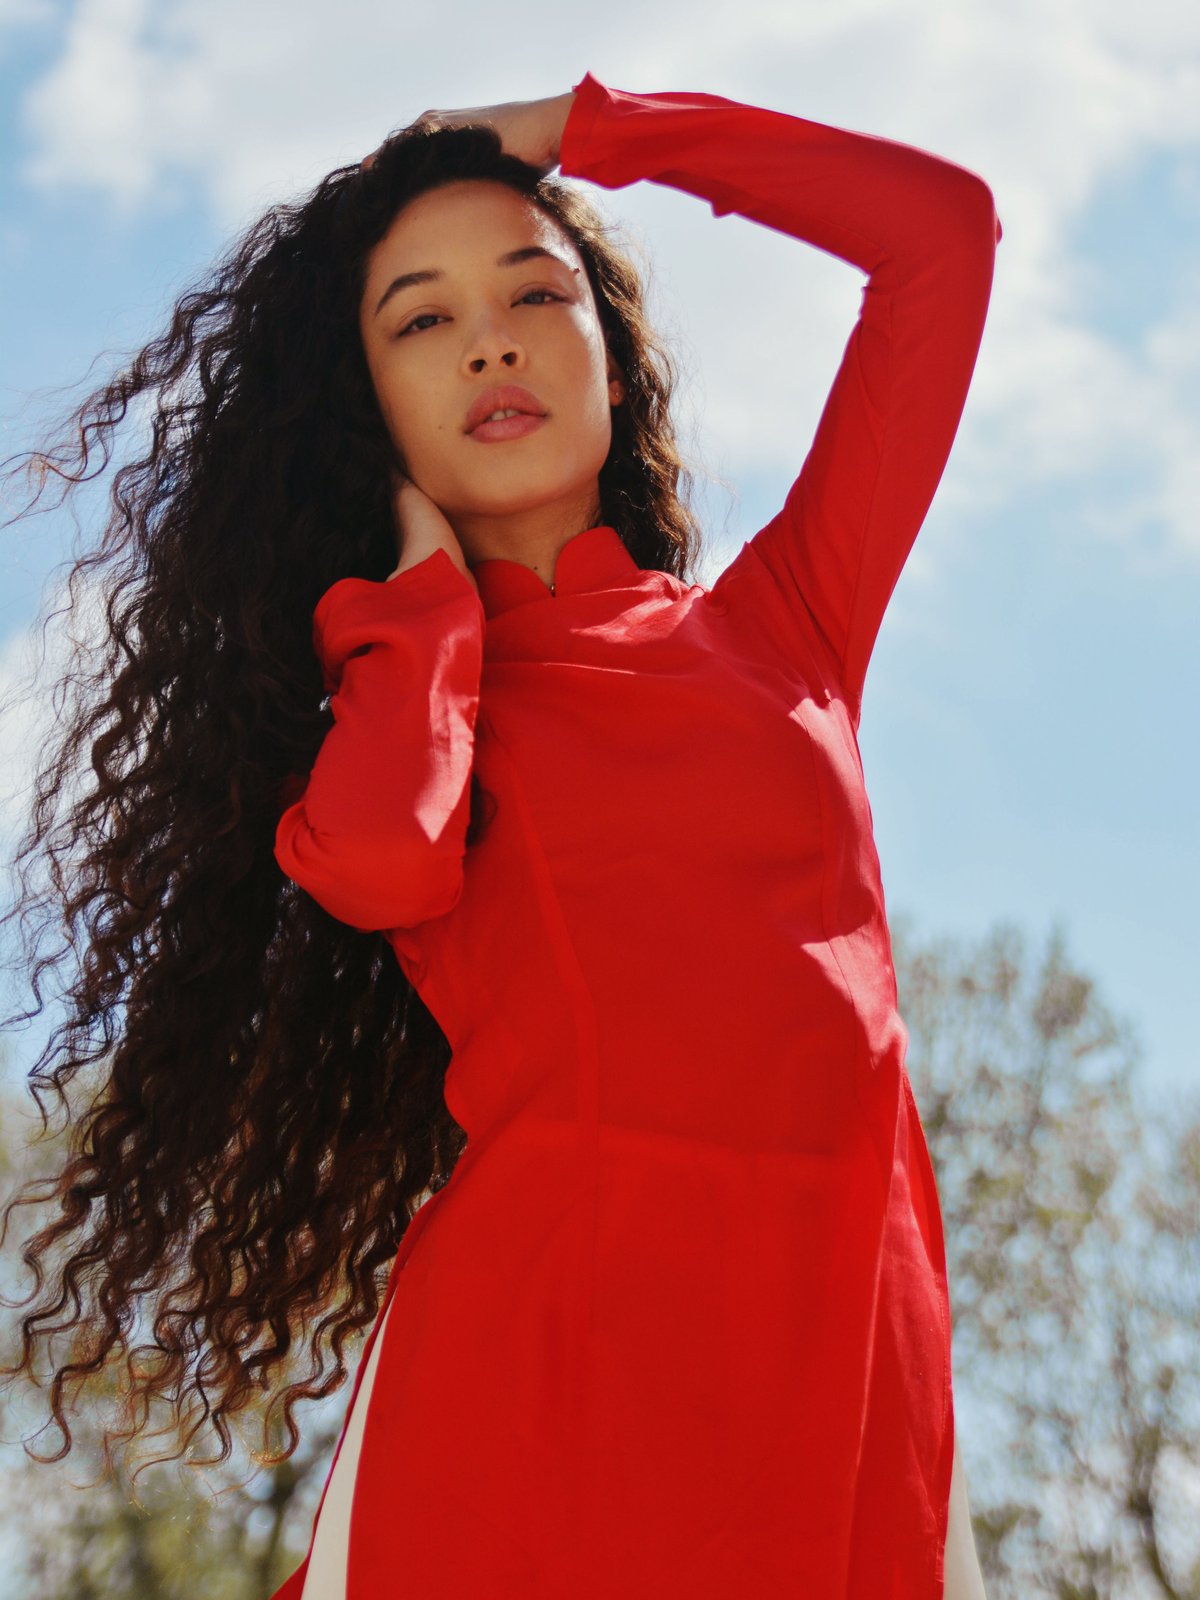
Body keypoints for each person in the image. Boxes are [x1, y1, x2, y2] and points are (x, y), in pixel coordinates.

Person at [0, 67, 997, 1600]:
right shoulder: (416, 692)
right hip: (545, 1363)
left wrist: (587, 132)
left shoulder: (787, 626)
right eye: (421, 320)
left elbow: (941, 237)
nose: (490, 338)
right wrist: (420, 620)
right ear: (371, 418)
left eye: (535, 290)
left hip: (852, 1335)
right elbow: (381, 861)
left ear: (615, 358)